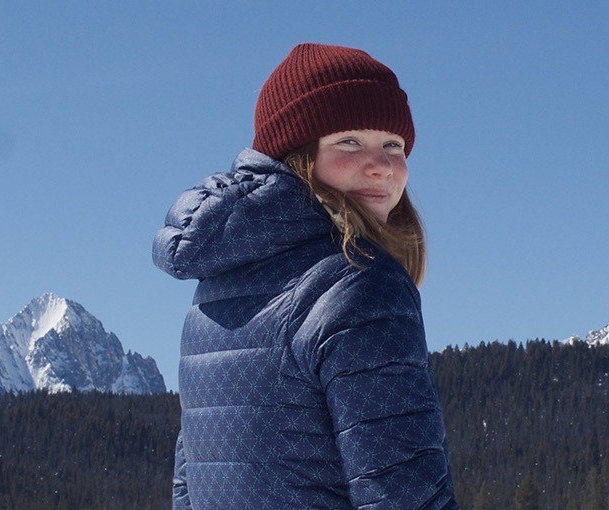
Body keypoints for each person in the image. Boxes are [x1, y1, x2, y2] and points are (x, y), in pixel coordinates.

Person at [154, 43, 458, 509]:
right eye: (348, 142)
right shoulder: (359, 284)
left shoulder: (216, 287)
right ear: (298, 154)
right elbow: (402, 493)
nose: (381, 164)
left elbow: (189, 485)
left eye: (393, 145)